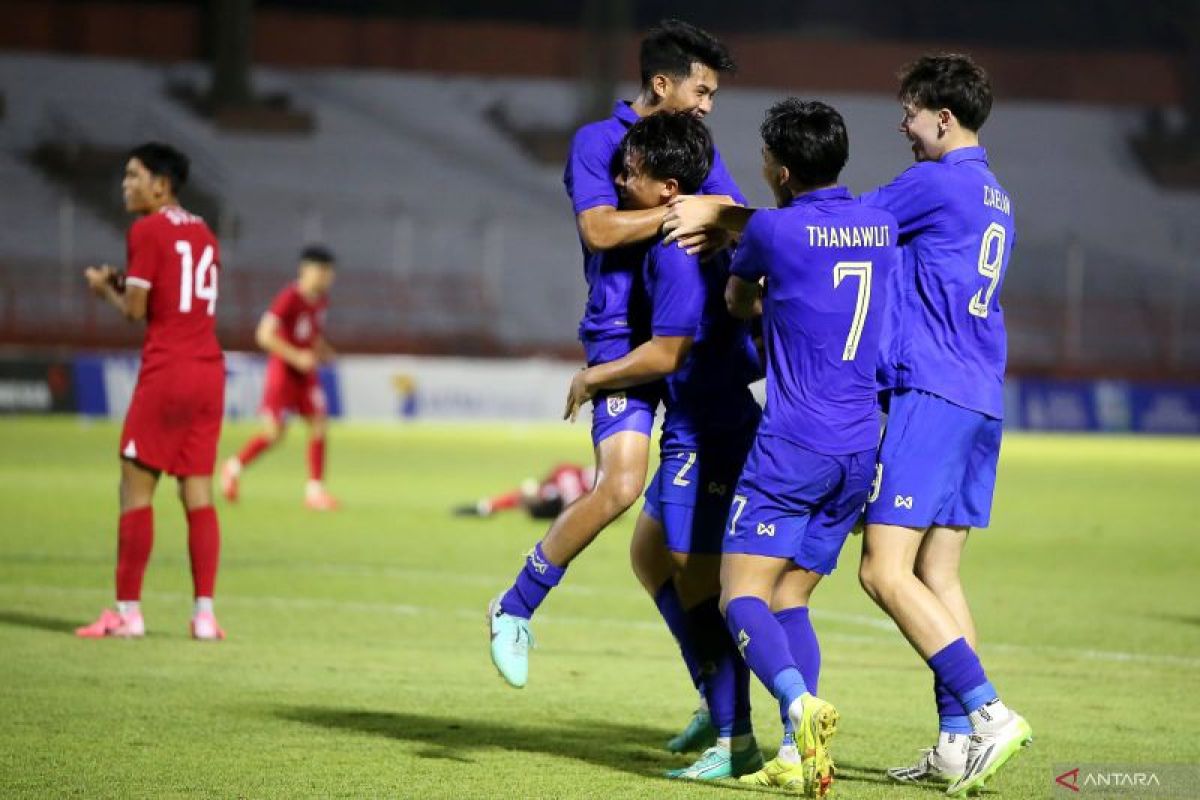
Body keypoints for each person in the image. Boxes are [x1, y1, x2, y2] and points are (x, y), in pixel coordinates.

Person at [487, 20, 744, 710]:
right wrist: (675, 215)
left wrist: (707, 213)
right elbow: (599, 229)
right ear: (663, 83)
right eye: (702, 89)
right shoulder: (597, 142)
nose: (708, 105)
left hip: (686, 342)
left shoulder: (695, 148)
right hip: (618, 339)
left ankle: (716, 705)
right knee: (620, 487)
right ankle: (515, 606)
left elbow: (733, 214)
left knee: (664, 554)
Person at [563, 111, 764, 781]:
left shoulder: (675, 248)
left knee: (702, 578)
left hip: (707, 428)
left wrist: (596, 375)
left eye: (632, 174)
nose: (618, 181)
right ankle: (717, 704)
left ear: (669, 187)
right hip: (698, 419)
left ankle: (742, 736)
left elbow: (668, 350)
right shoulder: (700, 229)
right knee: (652, 554)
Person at [855, 54, 1031, 796]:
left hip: (930, 391)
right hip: (980, 396)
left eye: (910, 111)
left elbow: (838, 228)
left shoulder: (933, 183)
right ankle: (957, 743)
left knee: (881, 570)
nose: (903, 123)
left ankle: (988, 711)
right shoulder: (996, 193)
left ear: (942, 117)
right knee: (938, 572)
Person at [715, 99, 898, 796]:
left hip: (794, 444)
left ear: (783, 170)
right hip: (859, 448)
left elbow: (736, 300)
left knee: (740, 597)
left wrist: (765, 298)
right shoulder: (881, 226)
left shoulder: (772, 229)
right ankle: (798, 756)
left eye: (766, 159)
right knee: (791, 598)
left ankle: (798, 706)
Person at [76, 142, 226, 641]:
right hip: (208, 368)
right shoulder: (204, 231)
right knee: (197, 491)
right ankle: (204, 615)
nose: (125, 184)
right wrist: (126, 281)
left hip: (168, 369)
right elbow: (177, 290)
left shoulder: (146, 228)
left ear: (161, 184)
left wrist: (105, 289)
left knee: (134, 487)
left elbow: (137, 310)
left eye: (133, 175)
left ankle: (128, 613)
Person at [221, 246, 338, 511]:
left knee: (319, 424)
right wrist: (296, 356)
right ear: (305, 270)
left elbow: (311, 333)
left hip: (306, 375)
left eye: (330, 273)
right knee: (275, 434)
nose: (327, 277)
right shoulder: (288, 297)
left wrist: (323, 351)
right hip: (283, 373)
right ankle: (233, 467)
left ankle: (315, 491)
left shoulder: (321, 300)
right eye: (323, 271)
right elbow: (264, 335)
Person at [453, 463, 596, 520]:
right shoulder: (570, 479)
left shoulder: (565, 475)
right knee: (526, 493)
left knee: (526, 492)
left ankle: (487, 506)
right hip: (560, 502)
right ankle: (487, 506)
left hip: (556, 501)